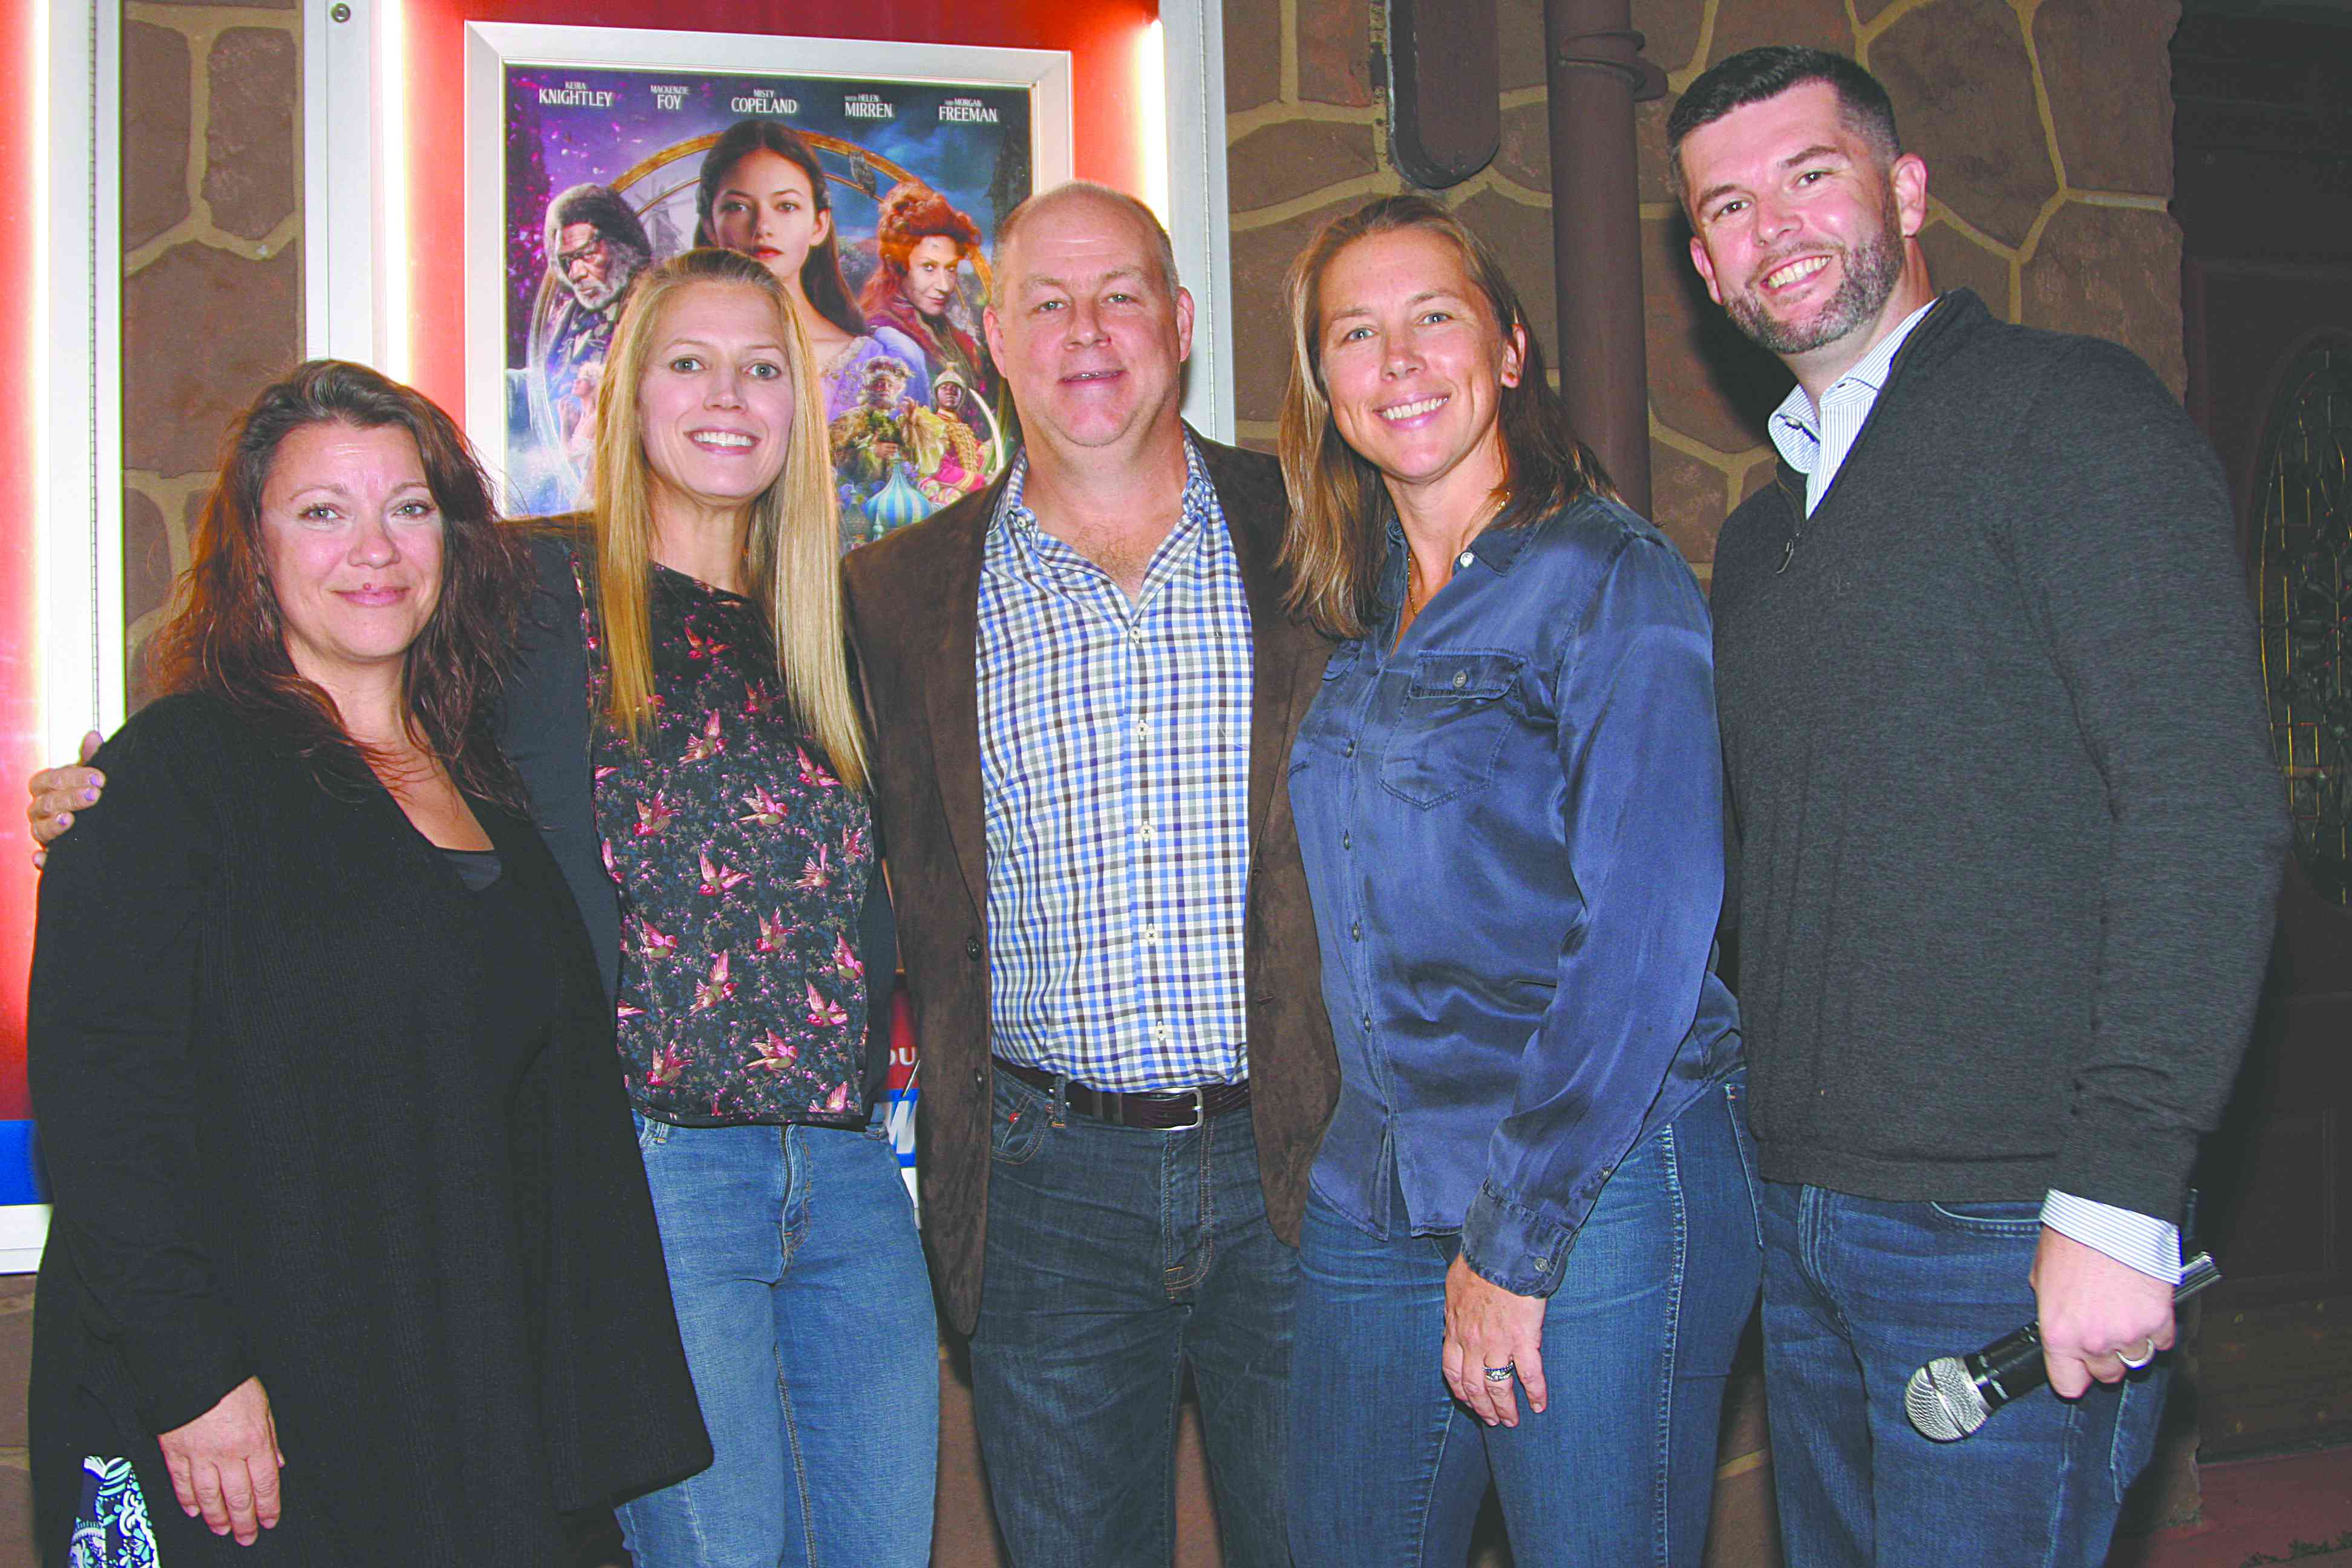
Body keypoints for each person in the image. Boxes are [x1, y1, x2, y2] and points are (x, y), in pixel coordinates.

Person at [31, 249, 936, 1568]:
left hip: (845, 1173)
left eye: (761, 367)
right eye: (687, 361)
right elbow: (277, 720)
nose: (726, 396)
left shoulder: (848, 624)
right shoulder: (529, 592)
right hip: (657, 1175)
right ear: (624, 395)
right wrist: (99, 795)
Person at [1667, 45, 2287, 1567]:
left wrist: (2121, 1192)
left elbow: (2204, 807)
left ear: (1906, 188)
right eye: (1729, 207)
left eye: (1810, 174)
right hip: (1804, 1215)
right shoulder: (1758, 542)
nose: (1774, 226)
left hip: (2009, 1228)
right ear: (1703, 266)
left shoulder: (2068, 417)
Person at [25, 361, 709, 1566]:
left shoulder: (485, 785)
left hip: (463, 1396)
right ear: (254, 548)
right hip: (260, 1422)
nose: (375, 549)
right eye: (322, 511)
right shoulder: (174, 770)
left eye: (408, 506)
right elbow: (103, 1098)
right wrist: (192, 1376)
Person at [841, 181, 1339, 1567]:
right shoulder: (896, 597)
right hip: (1045, 1187)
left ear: (1179, 322)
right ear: (995, 337)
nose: (1086, 331)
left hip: (1301, 1165)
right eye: (1047, 303)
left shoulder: (1321, 528)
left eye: (1119, 295)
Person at [1274, 193, 1759, 1566]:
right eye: (1354, 333)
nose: (1398, 360)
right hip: (1378, 1177)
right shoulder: (1351, 604)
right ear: (1323, 385)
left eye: (1434, 317)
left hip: (1594, 1173)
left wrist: (1514, 1240)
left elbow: (1646, 935)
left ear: (1508, 349)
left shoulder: (1610, 578)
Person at [694, 120, 927, 421]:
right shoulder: (677, 356)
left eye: (786, 206)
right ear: (710, 226)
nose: (762, 227)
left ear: (819, 225)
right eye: (737, 207)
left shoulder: (885, 362)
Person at [524, 183, 655, 498]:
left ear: (621, 246)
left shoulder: (658, 305)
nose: (577, 273)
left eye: (586, 255)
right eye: (568, 261)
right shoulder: (570, 316)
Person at [857, 178, 1008, 448]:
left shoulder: (941, 329)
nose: (944, 285)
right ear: (899, 266)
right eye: (929, 268)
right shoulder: (885, 341)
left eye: (951, 269)